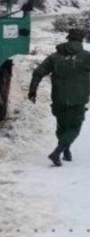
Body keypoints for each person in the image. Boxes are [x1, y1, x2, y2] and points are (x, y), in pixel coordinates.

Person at [28, 28, 90, 166]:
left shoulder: (54, 57)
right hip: (77, 100)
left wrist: (32, 91)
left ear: (68, 38)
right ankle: (57, 152)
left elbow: (38, 72)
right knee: (74, 128)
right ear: (81, 40)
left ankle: (66, 150)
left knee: (62, 127)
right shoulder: (86, 57)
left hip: (58, 99)